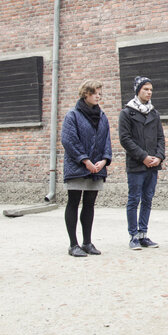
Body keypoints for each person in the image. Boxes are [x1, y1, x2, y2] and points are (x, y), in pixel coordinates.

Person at [61, 79, 112, 257]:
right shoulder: (72, 115)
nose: (98, 96)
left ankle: (87, 242)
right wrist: (85, 160)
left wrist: (104, 161)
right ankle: (73, 244)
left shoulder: (102, 116)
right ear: (86, 94)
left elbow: (107, 140)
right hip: (77, 167)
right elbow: (69, 140)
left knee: (89, 204)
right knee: (73, 203)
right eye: (95, 92)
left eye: (100, 93)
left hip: (96, 169)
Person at [119, 76, 165, 250]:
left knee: (147, 199)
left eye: (151, 89)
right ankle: (133, 236)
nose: (149, 92)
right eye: (146, 89)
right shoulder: (126, 113)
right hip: (137, 164)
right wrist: (143, 156)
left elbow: (161, 138)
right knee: (134, 199)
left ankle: (144, 234)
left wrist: (159, 157)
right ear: (138, 90)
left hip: (153, 165)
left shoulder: (154, 113)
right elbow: (125, 139)